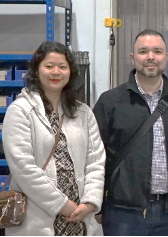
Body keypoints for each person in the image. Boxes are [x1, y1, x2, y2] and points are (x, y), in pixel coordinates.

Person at [93, 29, 168, 236]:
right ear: (133, 58)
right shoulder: (110, 101)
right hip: (123, 213)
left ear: (167, 57)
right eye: (143, 51)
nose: (150, 57)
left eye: (157, 51)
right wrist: (98, 203)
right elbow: (94, 156)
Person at [2, 41, 106, 236]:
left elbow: (95, 162)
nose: (55, 72)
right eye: (49, 66)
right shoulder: (20, 111)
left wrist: (90, 203)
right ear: (37, 70)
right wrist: (62, 205)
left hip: (80, 219)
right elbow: (23, 167)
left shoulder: (83, 112)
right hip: (37, 220)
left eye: (62, 67)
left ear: (70, 72)